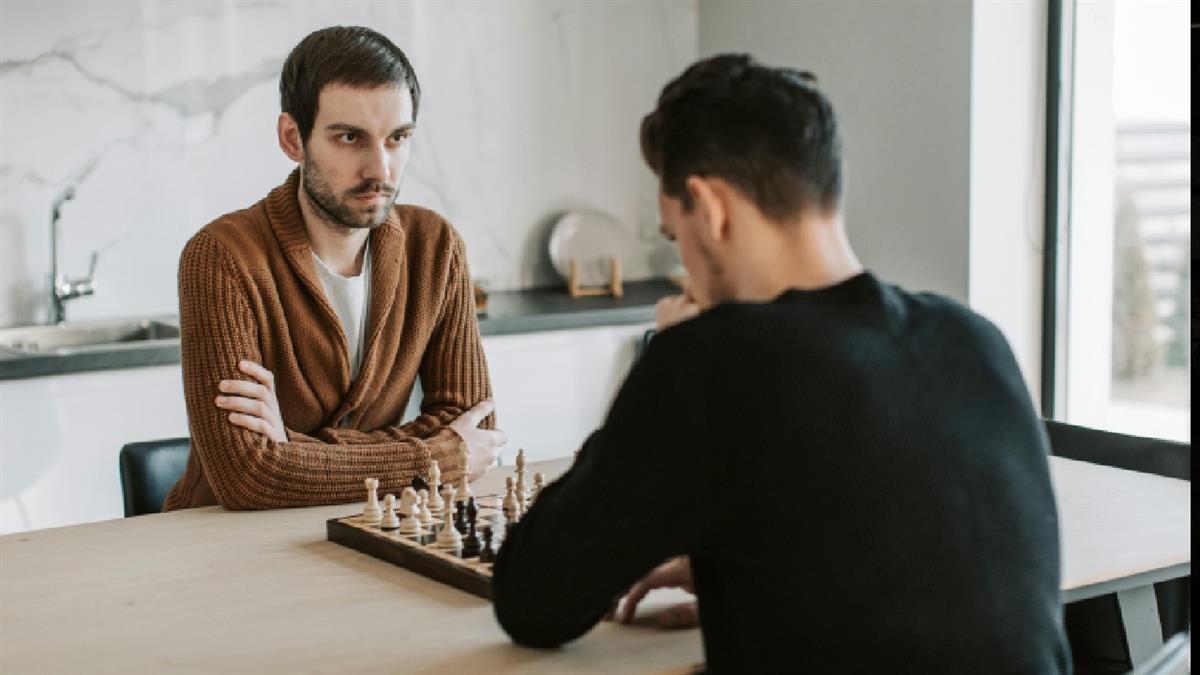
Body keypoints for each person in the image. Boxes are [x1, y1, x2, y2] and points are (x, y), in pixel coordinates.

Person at [492, 54, 1070, 673]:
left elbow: (532, 600)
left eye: (672, 234)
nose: (683, 262)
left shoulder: (711, 360)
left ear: (709, 209)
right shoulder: (973, 337)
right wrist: (749, 564)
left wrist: (663, 363)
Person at [163, 27, 506, 512]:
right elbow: (249, 477)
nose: (381, 169)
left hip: (365, 531)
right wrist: (435, 457)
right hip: (224, 547)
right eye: (350, 138)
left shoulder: (436, 246)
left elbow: (478, 431)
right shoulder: (222, 257)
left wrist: (295, 448)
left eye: (398, 138)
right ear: (292, 139)